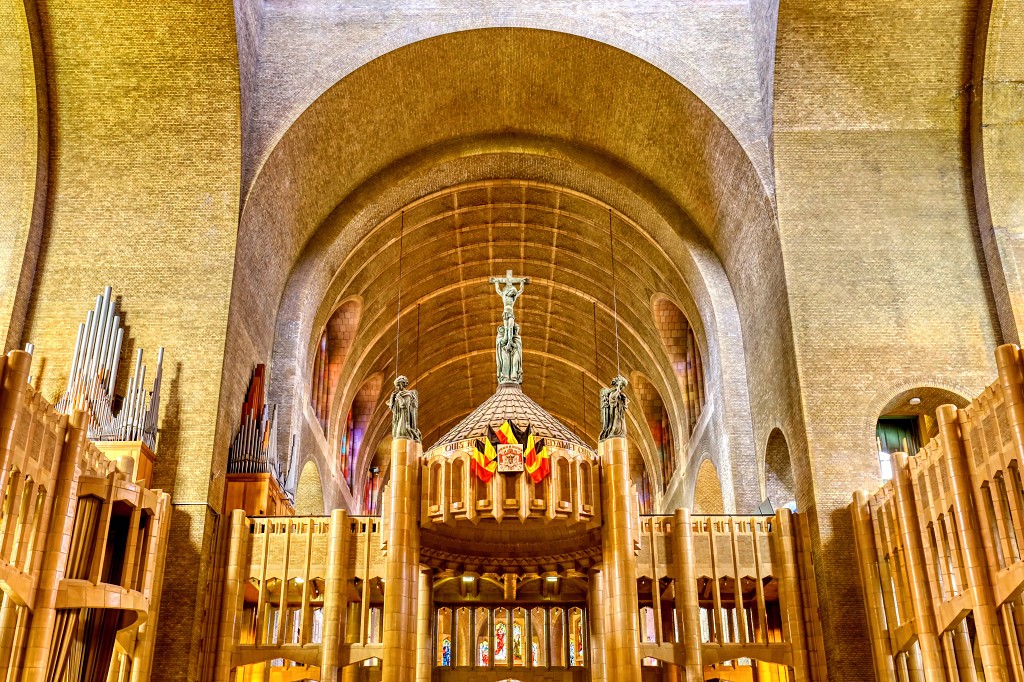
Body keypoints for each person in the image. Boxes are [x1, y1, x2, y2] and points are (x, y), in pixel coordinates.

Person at [388, 375, 421, 441]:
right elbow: (393, 408)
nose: (397, 387)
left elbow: (404, 405)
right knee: (396, 433)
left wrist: (399, 397)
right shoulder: (397, 394)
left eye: (398, 384)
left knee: (401, 432)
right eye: (396, 385)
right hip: (397, 417)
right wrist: (392, 398)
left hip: (404, 417)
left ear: (403, 384)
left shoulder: (407, 394)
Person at [599, 375, 629, 441]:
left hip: (620, 413)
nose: (622, 387)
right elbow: (612, 399)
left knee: (622, 427)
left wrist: (624, 400)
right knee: (615, 424)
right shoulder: (613, 392)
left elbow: (625, 406)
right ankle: (614, 431)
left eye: (623, 386)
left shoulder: (621, 395)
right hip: (615, 411)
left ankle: (619, 432)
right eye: (622, 385)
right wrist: (617, 391)